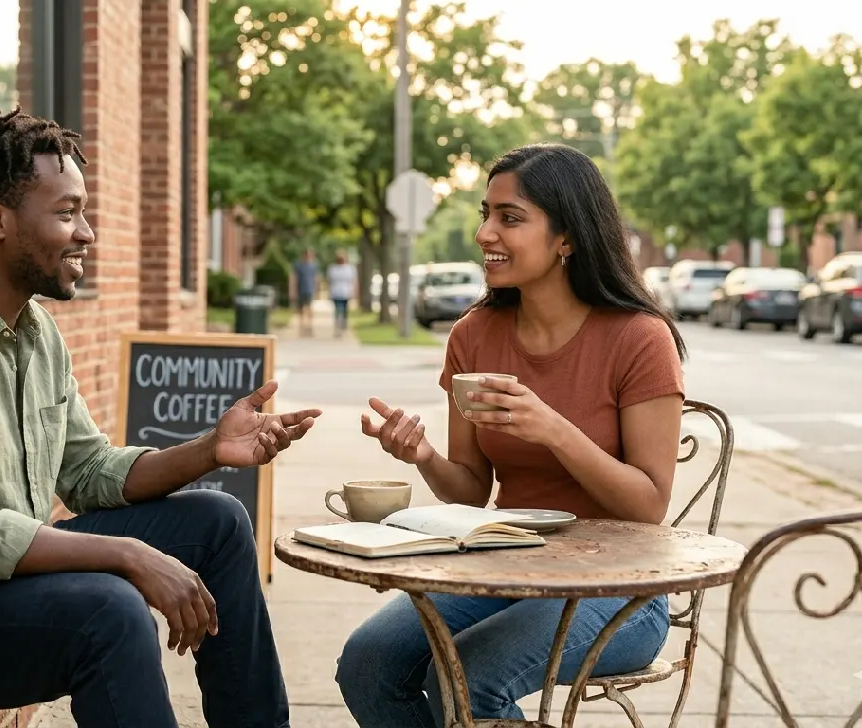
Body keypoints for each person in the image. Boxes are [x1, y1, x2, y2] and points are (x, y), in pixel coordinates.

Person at [0, 108, 323, 728]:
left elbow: (90, 471)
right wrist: (125, 554)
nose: (88, 233)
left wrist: (210, 449)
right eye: (67, 212)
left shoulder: (34, 329)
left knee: (219, 520)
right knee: (111, 611)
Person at [335, 142, 687, 725]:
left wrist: (553, 428)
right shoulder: (475, 334)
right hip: (504, 565)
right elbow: (470, 492)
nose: (486, 234)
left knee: (467, 677)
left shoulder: (638, 338)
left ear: (567, 237)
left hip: (619, 590)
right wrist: (422, 455)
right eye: (486, 214)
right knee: (369, 661)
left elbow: (648, 505)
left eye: (511, 218)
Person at [325, 249, 357, 336]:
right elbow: (329, 281)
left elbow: (353, 281)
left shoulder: (350, 268)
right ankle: (338, 325)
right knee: (338, 310)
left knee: (344, 310)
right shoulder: (332, 268)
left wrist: (354, 292)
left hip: (346, 292)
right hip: (336, 292)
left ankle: (342, 324)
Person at [292, 248, 320, 335]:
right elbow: (294, 278)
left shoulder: (314, 266)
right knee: (300, 309)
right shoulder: (299, 266)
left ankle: (310, 326)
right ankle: (302, 326)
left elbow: (316, 279)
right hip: (301, 289)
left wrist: (317, 290)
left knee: (310, 308)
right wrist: (293, 291)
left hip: (310, 290)